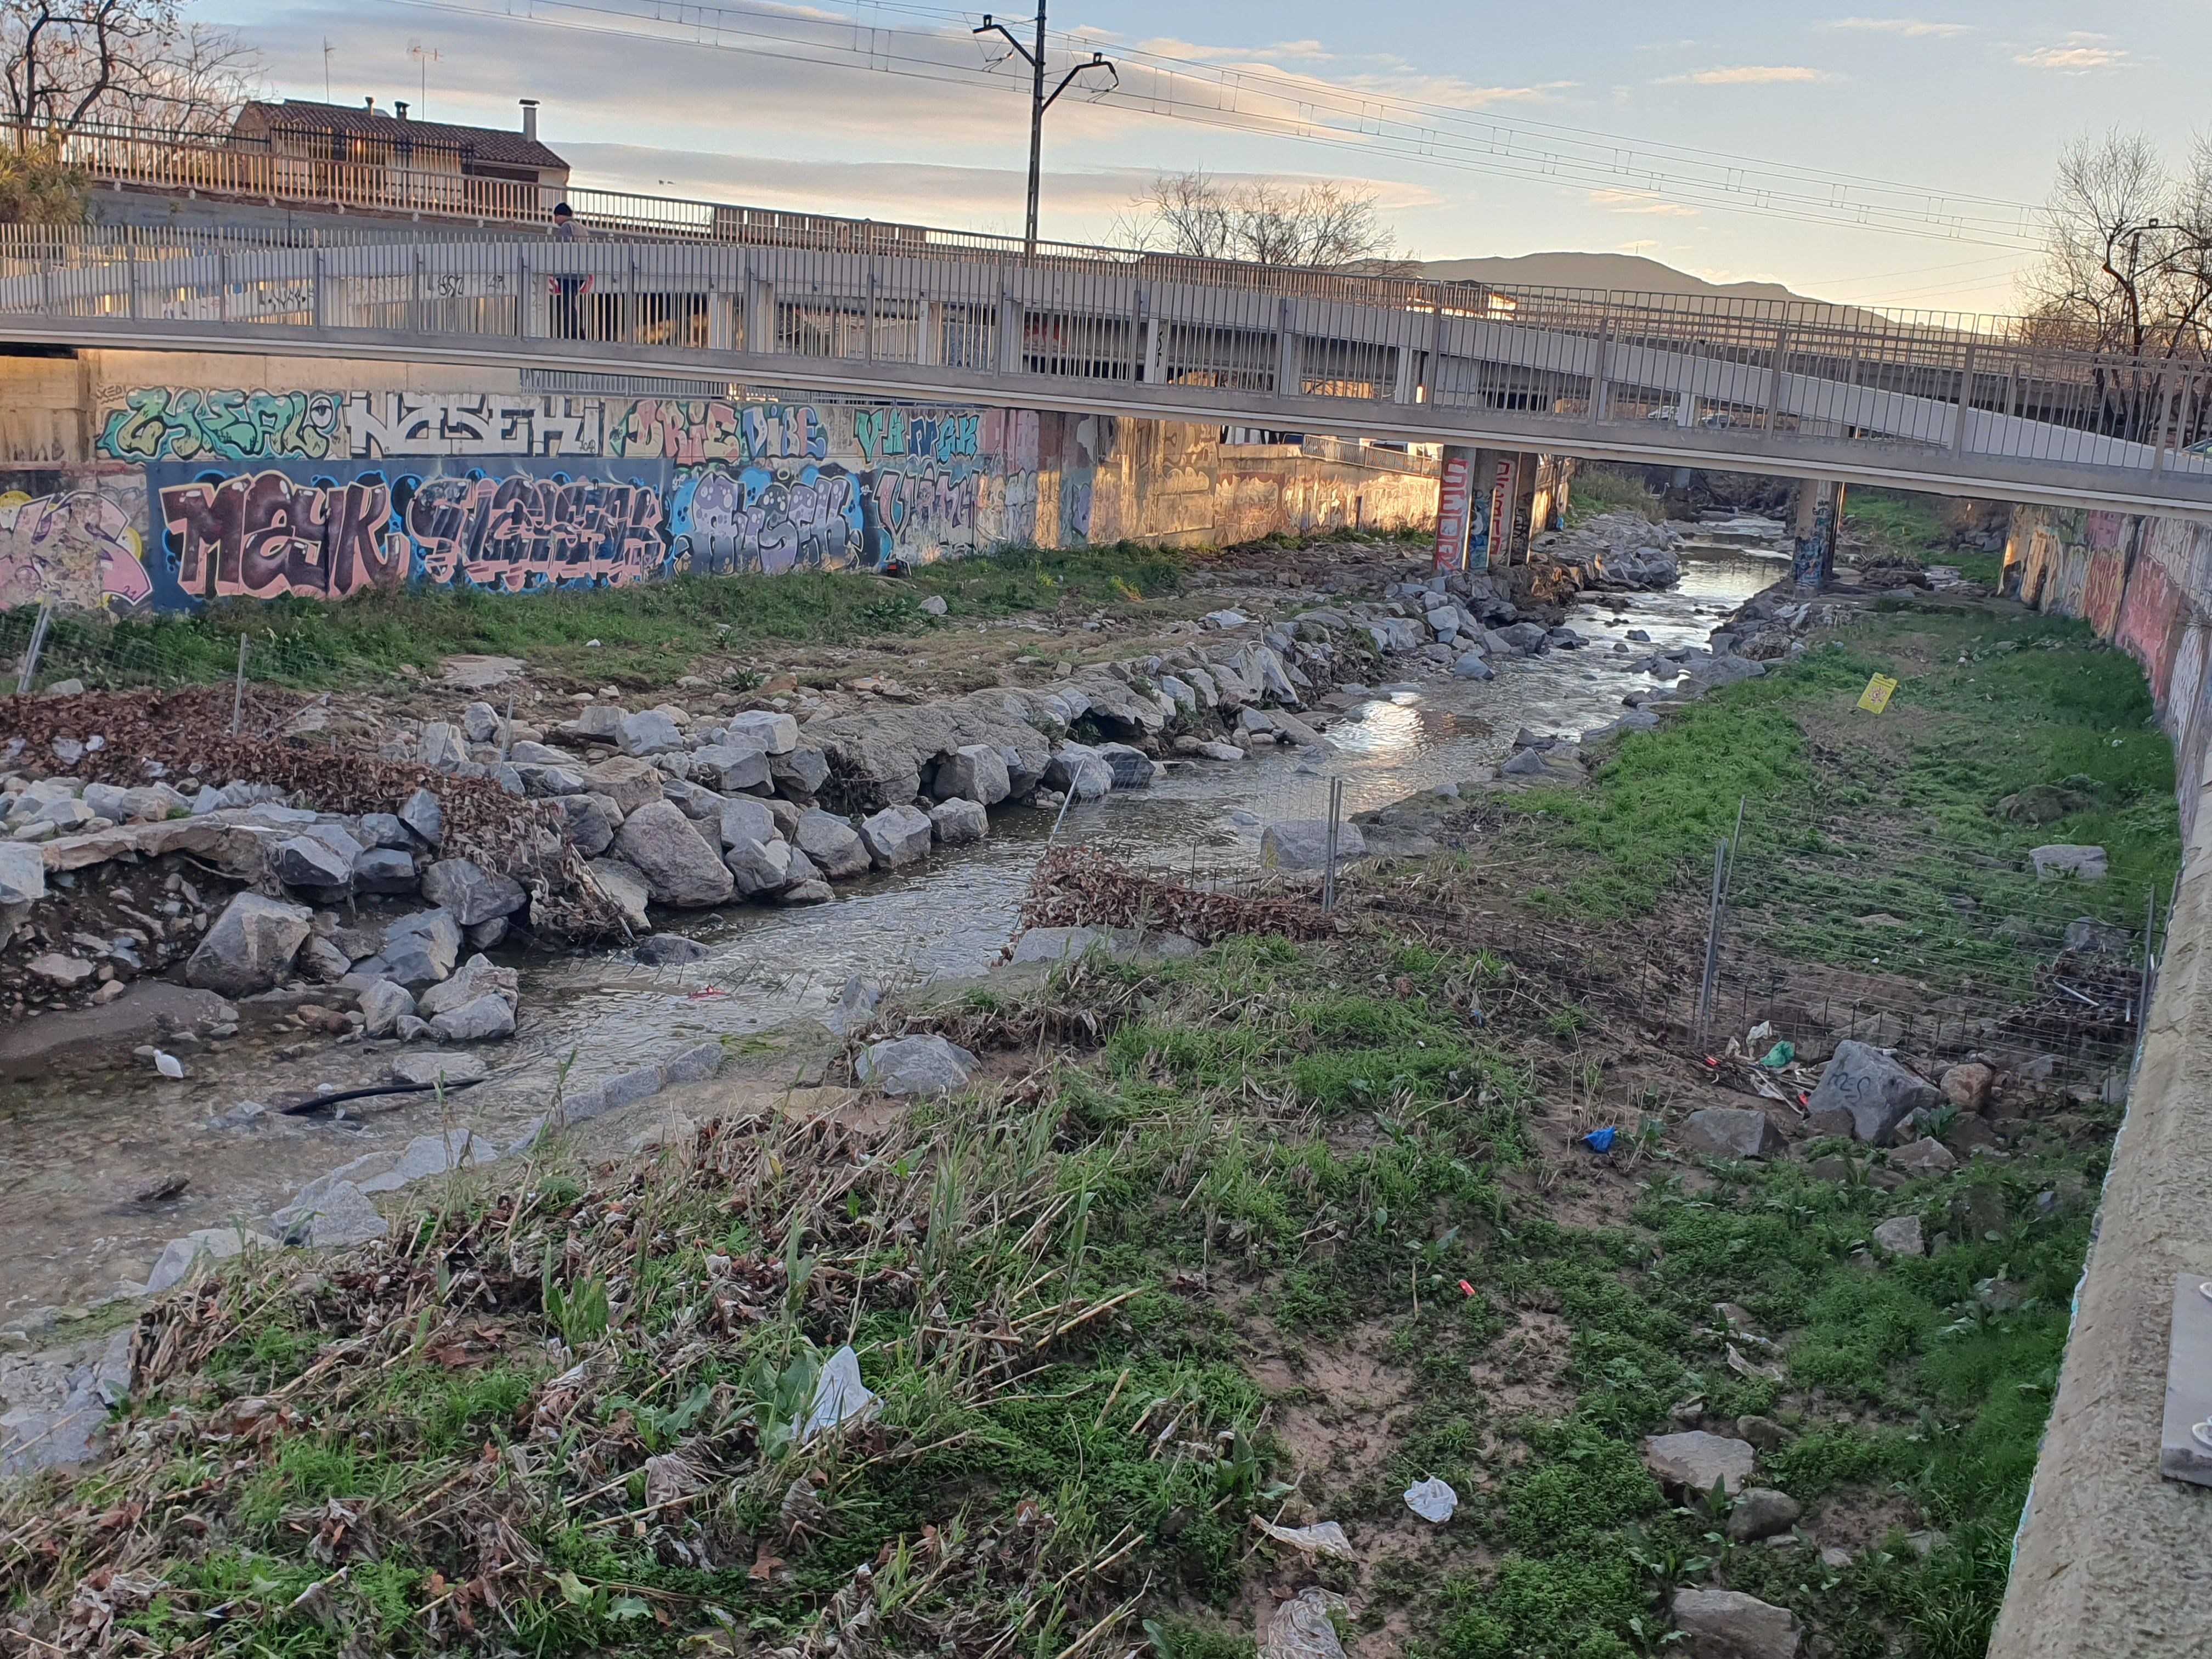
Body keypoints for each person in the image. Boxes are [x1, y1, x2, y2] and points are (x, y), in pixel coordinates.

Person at [549, 202, 590, 339]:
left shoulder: (567, 227)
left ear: (560, 215)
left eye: (555, 216)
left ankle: (575, 332)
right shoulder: (582, 228)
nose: (555, 220)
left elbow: (564, 248)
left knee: (567, 305)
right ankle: (578, 330)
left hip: (568, 273)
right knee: (572, 303)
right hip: (580, 272)